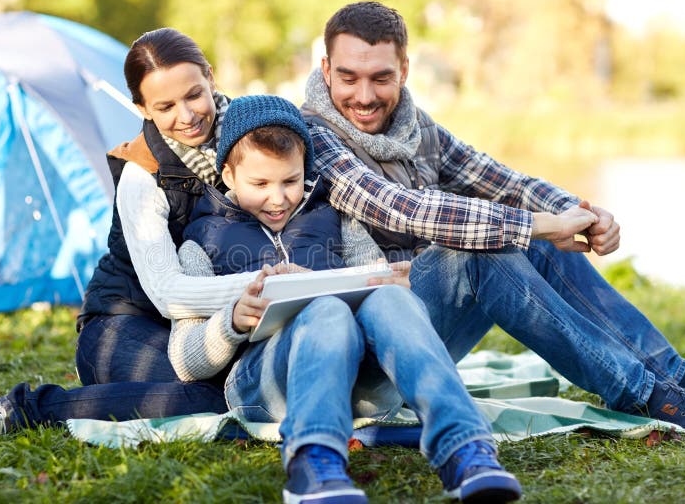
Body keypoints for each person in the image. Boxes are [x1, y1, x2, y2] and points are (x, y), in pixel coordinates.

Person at [302, 1, 685, 430]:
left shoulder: (415, 127)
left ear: (405, 71)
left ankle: (676, 378)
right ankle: (649, 396)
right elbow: (401, 208)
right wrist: (535, 225)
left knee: (534, 237)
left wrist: (578, 212)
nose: (364, 96)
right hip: (358, 363)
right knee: (479, 251)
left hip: (419, 336)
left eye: (381, 78)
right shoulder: (310, 138)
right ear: (326, 70)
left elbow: (503, 182)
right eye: (348, 78)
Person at [169, 94, 523, 503]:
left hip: (360, 385)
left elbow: (372, 281)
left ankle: (465, 452)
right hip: (266, 386)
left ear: (306, 168)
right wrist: (231, 321)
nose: (278, 198)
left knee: (390, 300)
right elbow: (185, 360)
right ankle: (313, 464)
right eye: (260, 184)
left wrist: (392, 281)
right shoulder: (201, 243)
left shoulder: (337, 218)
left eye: (290, 180)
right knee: (326, 310)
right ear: (228, 175)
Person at [0, 28, 263, 436]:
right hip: (125, 324)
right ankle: (21, 409)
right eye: (165, 106)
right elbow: (168, 293)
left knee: (254, 383)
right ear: (143, 108)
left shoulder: (253, 138)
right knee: (216, 394)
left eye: (193, 95)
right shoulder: (140, 175)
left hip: (211, 323)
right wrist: (262, 288)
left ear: (210, 78)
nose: (186, 116)